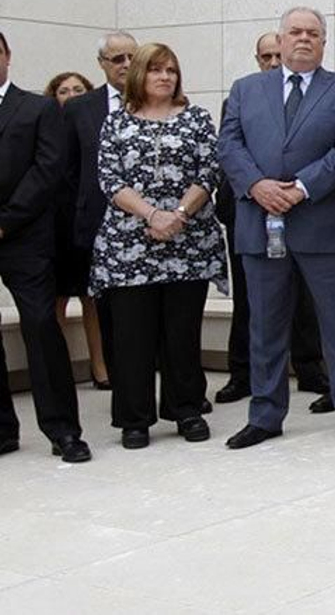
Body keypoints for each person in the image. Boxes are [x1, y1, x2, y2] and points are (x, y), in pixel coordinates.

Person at [216, 7, 335, 449]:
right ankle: (265, 414)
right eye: (295, 32)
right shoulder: (245, 89)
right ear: (281, 39)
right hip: (259, 221)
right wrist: (256, 185)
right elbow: (228, 145)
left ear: (324, 43)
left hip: (323, 226)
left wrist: (302, 189)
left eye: (313, 33)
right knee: (266, 326)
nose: (303, 39)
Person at [89, 42, 228, 449]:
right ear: (139, 76)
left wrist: (178, 215)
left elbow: (209, 172)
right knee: (133, 336)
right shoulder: (117, 123)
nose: (165, 77)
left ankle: (185, 409)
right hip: (130, 246)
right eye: (155, 70)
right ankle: (135, 419)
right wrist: (152, 215)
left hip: (188, 244)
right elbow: (110, 180)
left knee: (180, 332)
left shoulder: (197, 120)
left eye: (171, 70)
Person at [213, 31, 331, 411]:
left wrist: (293, 190)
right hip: (249, 210)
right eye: (265, 57)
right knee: (251, 300)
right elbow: (230, 149)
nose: (271, 62)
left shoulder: (316, 95)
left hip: (303, 208)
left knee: (305, 298)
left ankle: (309, 367)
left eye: (275, 56)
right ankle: (242, 372)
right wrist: (258, 187)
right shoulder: (242, 96)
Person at [0, 30, 92, 463]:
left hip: (25, 238)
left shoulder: (35, 108)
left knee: (40, 326)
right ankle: (3, 430)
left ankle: (63, 430)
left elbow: (48, 169)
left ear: (7, 56)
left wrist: (6, 221)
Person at [63, 31, 137, 391]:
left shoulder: (159, 101)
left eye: (130, 57)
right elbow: (67, 171)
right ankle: (123, 391)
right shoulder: (79, 108)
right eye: (117, 59)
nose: (125, 65)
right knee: (108, 315)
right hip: (98, 229)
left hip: (153, 227)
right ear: (102, 65)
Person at [45, 71, 108, 390]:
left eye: (78, 89)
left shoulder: (94, 124)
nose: (71, 95)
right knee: (56, 296)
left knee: (90, 296)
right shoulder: (43, 126)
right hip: (55, 221)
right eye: (64, 90)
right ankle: (59, 370)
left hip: (86, 220)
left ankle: (100, 366)